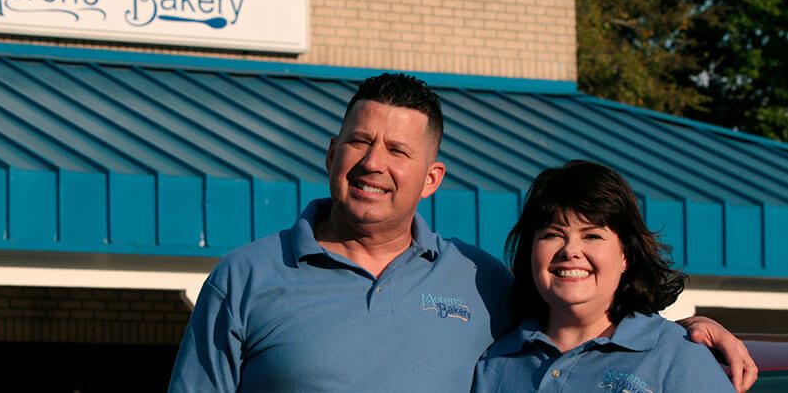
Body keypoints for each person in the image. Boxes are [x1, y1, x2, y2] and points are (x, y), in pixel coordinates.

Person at [168, 74, 756, 392]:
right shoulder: (245, 278)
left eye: (398, 150)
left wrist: (685, 337)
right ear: (330, 153)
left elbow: (585, 324)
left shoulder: (479, 281)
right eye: (360, 141)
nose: (374, 163)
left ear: (430, 178)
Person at [473, 160, 736, 392]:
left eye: (592, 236)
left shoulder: (677, 358)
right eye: (553, 234)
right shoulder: (492, 362)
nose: (570, 251)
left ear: (626, 256)